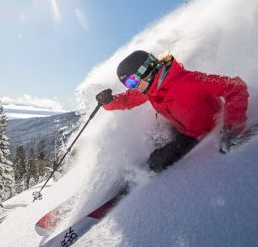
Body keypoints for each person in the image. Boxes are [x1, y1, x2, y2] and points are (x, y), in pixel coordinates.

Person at [96, 50, 249, 172]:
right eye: (128, 84)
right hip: (182, 128)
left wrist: (233, 125)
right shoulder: (149, 89)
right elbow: (127, 100)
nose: (133, 87)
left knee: (158, 160)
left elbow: (235, 86)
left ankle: (144, 177)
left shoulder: (188, 81)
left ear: (146, 70)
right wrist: (108, 102)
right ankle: (140, 169)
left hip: (201, 132)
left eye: (132, 81)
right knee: (152, 138)